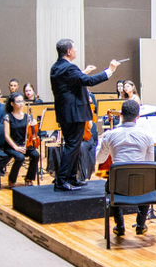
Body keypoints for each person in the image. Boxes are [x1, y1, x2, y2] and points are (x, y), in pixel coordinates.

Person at [50, 38, 119, 191]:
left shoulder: (56, 67)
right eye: (74, 48)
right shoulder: (69, 68)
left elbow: (75, 80)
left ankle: (72, 178)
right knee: (72, 146)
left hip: (66, 113)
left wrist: (84, 71)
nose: (75, 51)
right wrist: (110, 70)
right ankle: (61, 180)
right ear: (68, 51)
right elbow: (89, 81)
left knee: (73, 146)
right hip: (74, 114)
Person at [95, 100, 154, 235]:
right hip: (141, 185)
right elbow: (150, 163)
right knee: (149, 182)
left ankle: (120, 226)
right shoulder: (147, 136)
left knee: (110, 186)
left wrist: (100, 142)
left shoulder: (110, 135)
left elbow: (100, 159)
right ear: (138, 116)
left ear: (120, 114)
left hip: (118, 186)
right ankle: (141, 224)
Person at [2, 92, 41, 188]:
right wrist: (16, 147)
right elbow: (6, 136)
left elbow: (31, 134)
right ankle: (11, 179)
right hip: (11, 146)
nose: (21, 103)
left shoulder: (27, 117)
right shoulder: (7, 117)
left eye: (22, 101)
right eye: (18, 101)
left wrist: (34, 125)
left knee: (36, 155)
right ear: (12, 104)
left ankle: (29, 178)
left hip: (25, 144)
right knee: (20, 157)